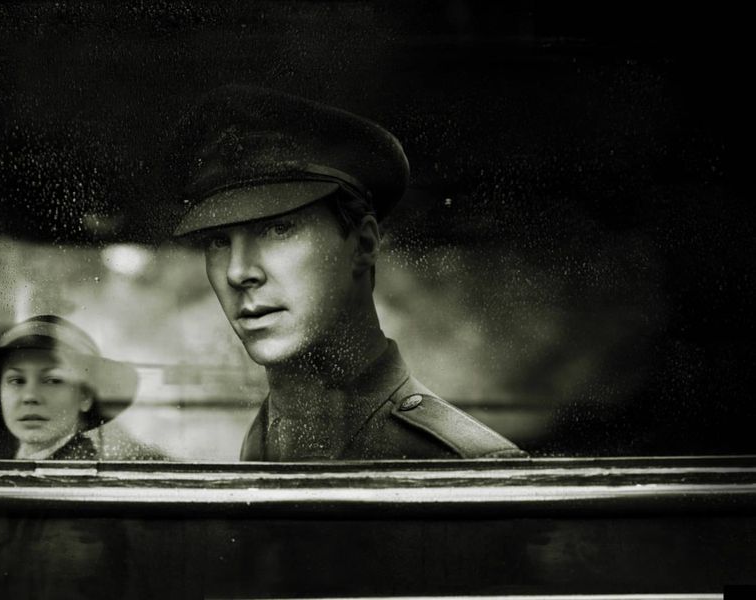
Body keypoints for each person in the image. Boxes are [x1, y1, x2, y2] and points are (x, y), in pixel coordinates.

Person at [172, 84, 527, 460]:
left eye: (278, 228)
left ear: (364, 244)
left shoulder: (461, 464)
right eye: (218, 240)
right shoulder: (260, 445)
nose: (238, 271)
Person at [0, 315, 139, 460]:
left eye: (53, 380)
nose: (30, 396)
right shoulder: (3, 466)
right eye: (17, 381)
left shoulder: (81, 472)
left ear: (85, 396)